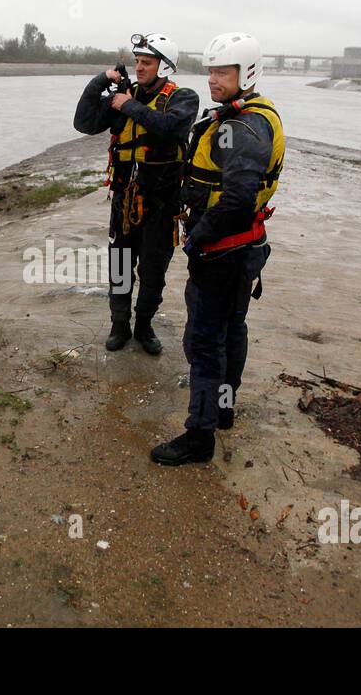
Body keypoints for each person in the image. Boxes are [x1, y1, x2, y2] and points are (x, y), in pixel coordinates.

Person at [152, 32, 283, 466]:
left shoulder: (242, 127)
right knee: (232, 329)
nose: (213, 80)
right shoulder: (244, 117)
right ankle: (223, 409)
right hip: (243, 249)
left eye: (223, 72)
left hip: (224, 253)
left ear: (246, 73)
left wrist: (197, 237)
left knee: (206, 342)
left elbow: (238, 198)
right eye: (210, 71)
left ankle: (199, 437)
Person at [73, 33, 199, 354]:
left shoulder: (183, 98)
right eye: (137, 62)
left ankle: (144, 325)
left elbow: (171, 127)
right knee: (120, 264)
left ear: (164, 67)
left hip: (163, 203)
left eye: (147, 62)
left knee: (153, 272)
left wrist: (128, 104)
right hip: (124, 200)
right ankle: (119, 325)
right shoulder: (122, 97)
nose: (139, 68)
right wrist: (100, 82)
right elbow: (83, 123)